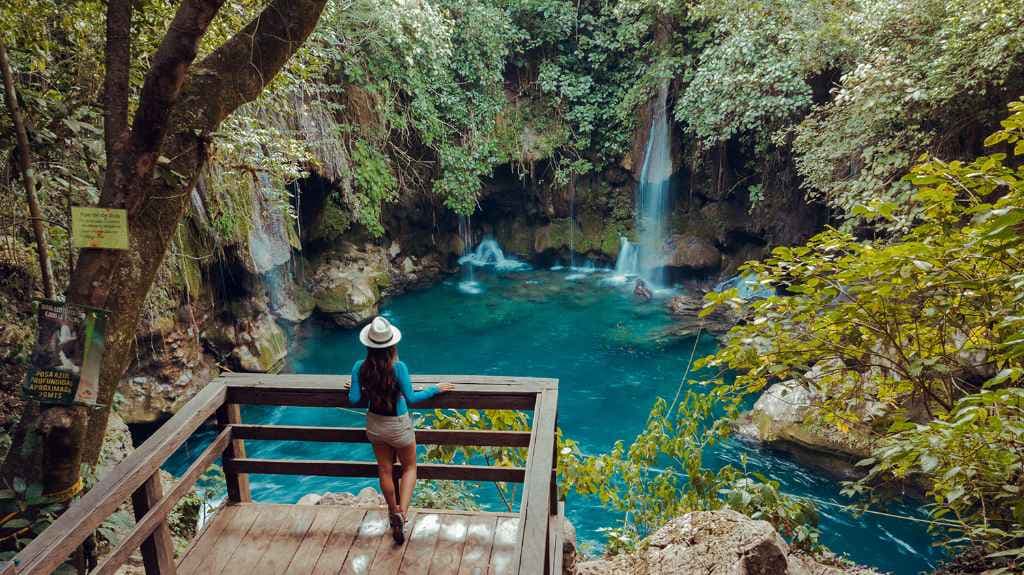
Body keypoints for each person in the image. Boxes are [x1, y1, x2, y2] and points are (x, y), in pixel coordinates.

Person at [347, 316, 454, 544]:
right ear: (392, 344)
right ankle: (401, 514)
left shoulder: (359, 367)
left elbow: (354, 398)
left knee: (385, 470)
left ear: (368, 344)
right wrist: (436, 389)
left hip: (375, 425)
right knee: (410, 467)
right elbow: (412, 398)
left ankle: (391, 510)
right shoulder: (398, 367)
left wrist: (361, 386)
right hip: (398, 426)